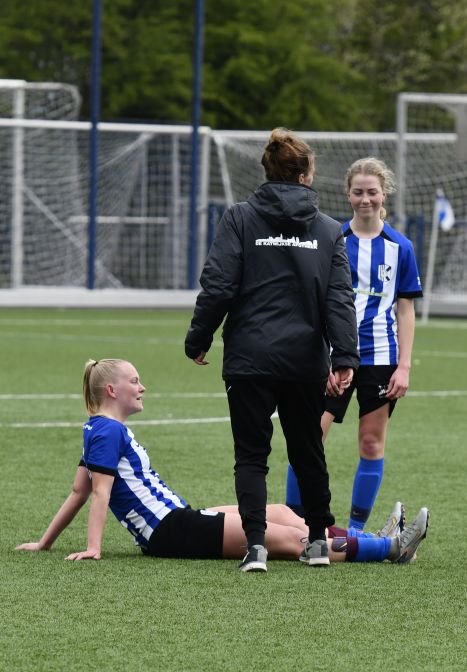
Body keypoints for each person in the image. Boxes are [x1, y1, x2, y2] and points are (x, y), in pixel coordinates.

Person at [16, 359, 429, 568]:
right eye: (134, 381)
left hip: (178, 519)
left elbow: (78, 491)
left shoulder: (99, 429)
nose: (142, 387)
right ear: (111, 390)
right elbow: (97, 493)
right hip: (170, 532)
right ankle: (389, 548)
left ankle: (374, 537)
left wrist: (44, 543)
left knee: (283, 513)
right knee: (289, 540)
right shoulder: (106, 431)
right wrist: (93, 548)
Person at [185, 127, 360, 572]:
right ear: (306, 175)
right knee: (308, 451)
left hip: (249, 359)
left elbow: (218, 285)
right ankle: (317, 542)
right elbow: (339, 298)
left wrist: (199, 337)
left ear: (267, 171)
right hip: (304, 362)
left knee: (251, 455)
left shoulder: (239, 219)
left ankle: (256, 548)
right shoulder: (328, 230)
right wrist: (345, 357)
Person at [286, 157, 423, 531]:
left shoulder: (401, 247)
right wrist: (322, 356)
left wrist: (404, 366)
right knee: (310, 439)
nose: (365, 199)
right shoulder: (332, 239)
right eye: (358, 192)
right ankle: (295, 524)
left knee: (371, 443)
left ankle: (355, 532)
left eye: (372, 192)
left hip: (380, 358)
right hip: (331, 357)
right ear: (348, 194)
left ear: (384, 194)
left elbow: (405, 310)